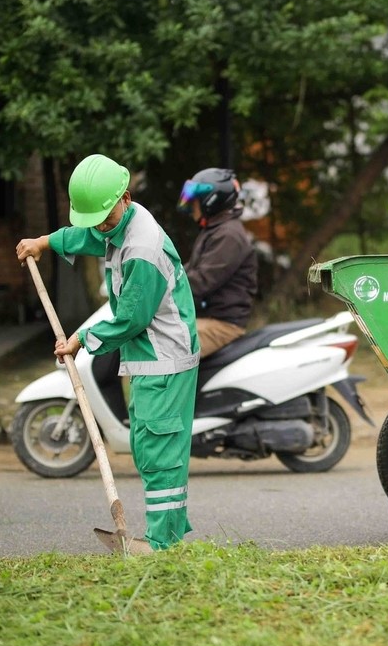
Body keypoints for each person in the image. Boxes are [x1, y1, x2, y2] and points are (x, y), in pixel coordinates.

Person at [15, 154, 200, 550]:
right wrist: (45, 242)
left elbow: (130, 318)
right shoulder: (116, 220)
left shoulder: (142, 248)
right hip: (148, 356)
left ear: (126, 198)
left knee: (158, 449)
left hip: (164, 358)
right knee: (148, 444)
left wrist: (80, 340)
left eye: (105, 219)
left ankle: (161, 545)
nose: (101, 227)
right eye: (94, 220)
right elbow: (89, 236)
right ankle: (167, 538)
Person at [178, 168, 258, 358]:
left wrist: (163, 289)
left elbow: (201, 280)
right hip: (207, 320)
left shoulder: (228, 235)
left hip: (222, 326)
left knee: (167, 347)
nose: (191, 206)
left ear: (211, 201)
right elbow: (189, 270)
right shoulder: (215, 230)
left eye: (195, 200)